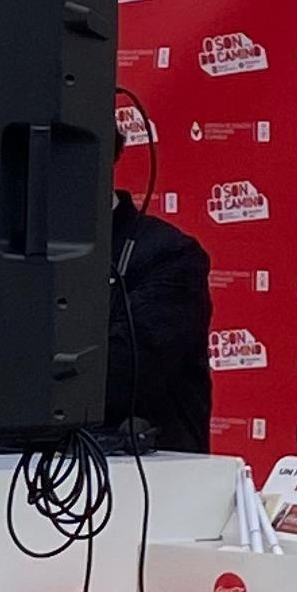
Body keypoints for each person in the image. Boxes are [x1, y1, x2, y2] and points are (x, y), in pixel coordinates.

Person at [102, 147, 213, 453]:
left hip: (145, 477)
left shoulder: (169, 254)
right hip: (0, 471)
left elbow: (127, 373)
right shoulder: (2, 256)